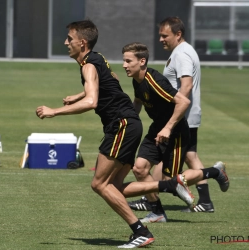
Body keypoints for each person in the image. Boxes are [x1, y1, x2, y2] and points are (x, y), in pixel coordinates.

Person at [35, 20, 196, 249]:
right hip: (131, 123)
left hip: (120, 125)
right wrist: (78, 95)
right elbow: (112, 83)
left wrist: (55, 111)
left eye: (69, 39)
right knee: (115, 187)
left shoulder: (88, 65)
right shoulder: (98, 58)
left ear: (82, 43)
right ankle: (170, 185)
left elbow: (93, 101)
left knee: (99, 184)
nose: (66, 43)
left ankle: (140, 230)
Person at [122, 42, 229, 223]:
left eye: (128, 61)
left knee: (170, 180)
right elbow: (138, 101)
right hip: (157, 128)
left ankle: (215, 172)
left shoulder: (155, 81)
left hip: (176, 131)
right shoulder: (137, 80)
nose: (124, 65)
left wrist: (168, 127)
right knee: (139, 168)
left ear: (141, 61)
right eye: (124, 61)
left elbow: (183, 102)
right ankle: (157, 213)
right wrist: (129, 122)